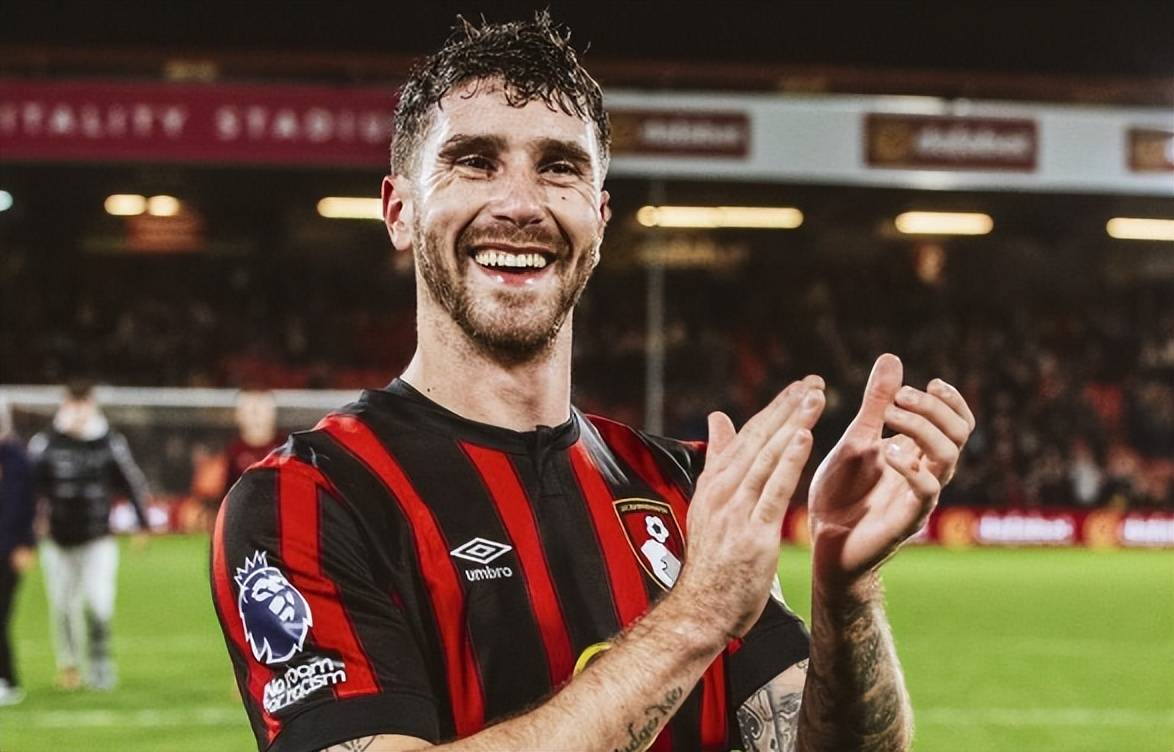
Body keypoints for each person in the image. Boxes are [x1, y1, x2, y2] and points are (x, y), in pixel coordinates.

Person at [211, 14, 974, 752]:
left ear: (600, 221)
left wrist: (846, 591)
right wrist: (696, 616)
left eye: (559, 167)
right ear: (399, 211)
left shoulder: (688, 489)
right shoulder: (310, 499)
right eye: (475, 161)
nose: (520, 204)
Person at [29, 381, 152, 690]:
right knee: (62, 606)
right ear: (64, 405)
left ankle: (99, 663)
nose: (78, 411)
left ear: (92, 405)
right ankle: (69, 665)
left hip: (98, 538)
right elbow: (29, 489)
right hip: (58, 540)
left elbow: (132, 482)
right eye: (73, 404)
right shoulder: (46, 443)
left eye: (83, 404)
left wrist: (142, 523)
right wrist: (29, 528)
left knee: (99, 604)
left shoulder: (109, 442)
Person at [0, 396, 36, 705]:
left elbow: (27, 507)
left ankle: (7, 680)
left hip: (7, 551)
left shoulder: (17, 459)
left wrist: (26, 543)